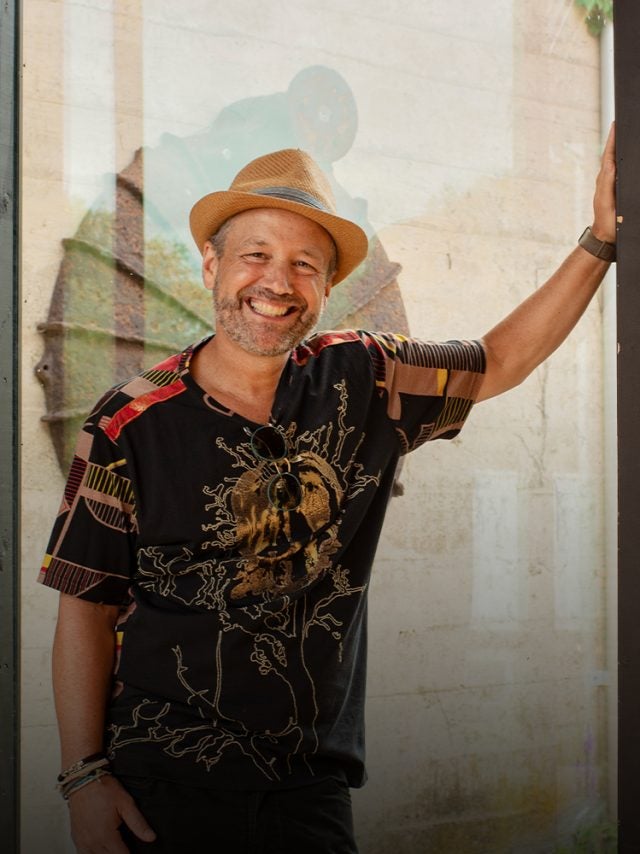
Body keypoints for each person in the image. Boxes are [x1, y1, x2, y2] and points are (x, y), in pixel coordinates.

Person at [40, 130, 617, 854]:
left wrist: (601, 240)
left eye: (303, 264)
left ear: (326, 287)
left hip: (310, 788)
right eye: (255, 255)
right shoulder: (127, 423)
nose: (277, 282)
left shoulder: (365, 378)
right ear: (212, 264)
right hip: (160, 786)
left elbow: (497, 360)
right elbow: (85, 608)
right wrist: (83, 779)